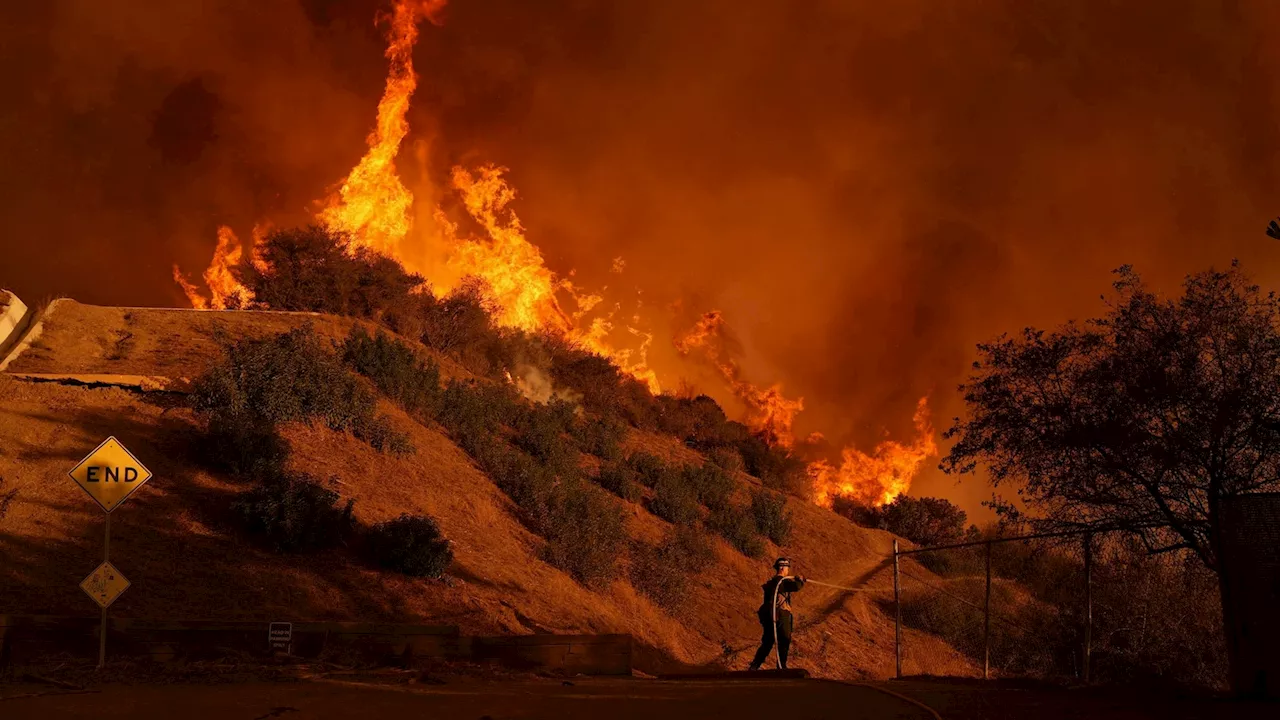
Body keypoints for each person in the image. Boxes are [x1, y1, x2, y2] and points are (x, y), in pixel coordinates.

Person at [748, 556, 806, 671]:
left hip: (769, 614)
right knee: (784, 639)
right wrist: (800, 579)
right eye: (787, 568)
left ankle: (755, 665)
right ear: (783, 568)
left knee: (768, 641)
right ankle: (781, 666)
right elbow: (796, 587)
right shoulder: (782, 581)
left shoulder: (772, 582)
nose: (788, 570)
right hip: (781, 614)